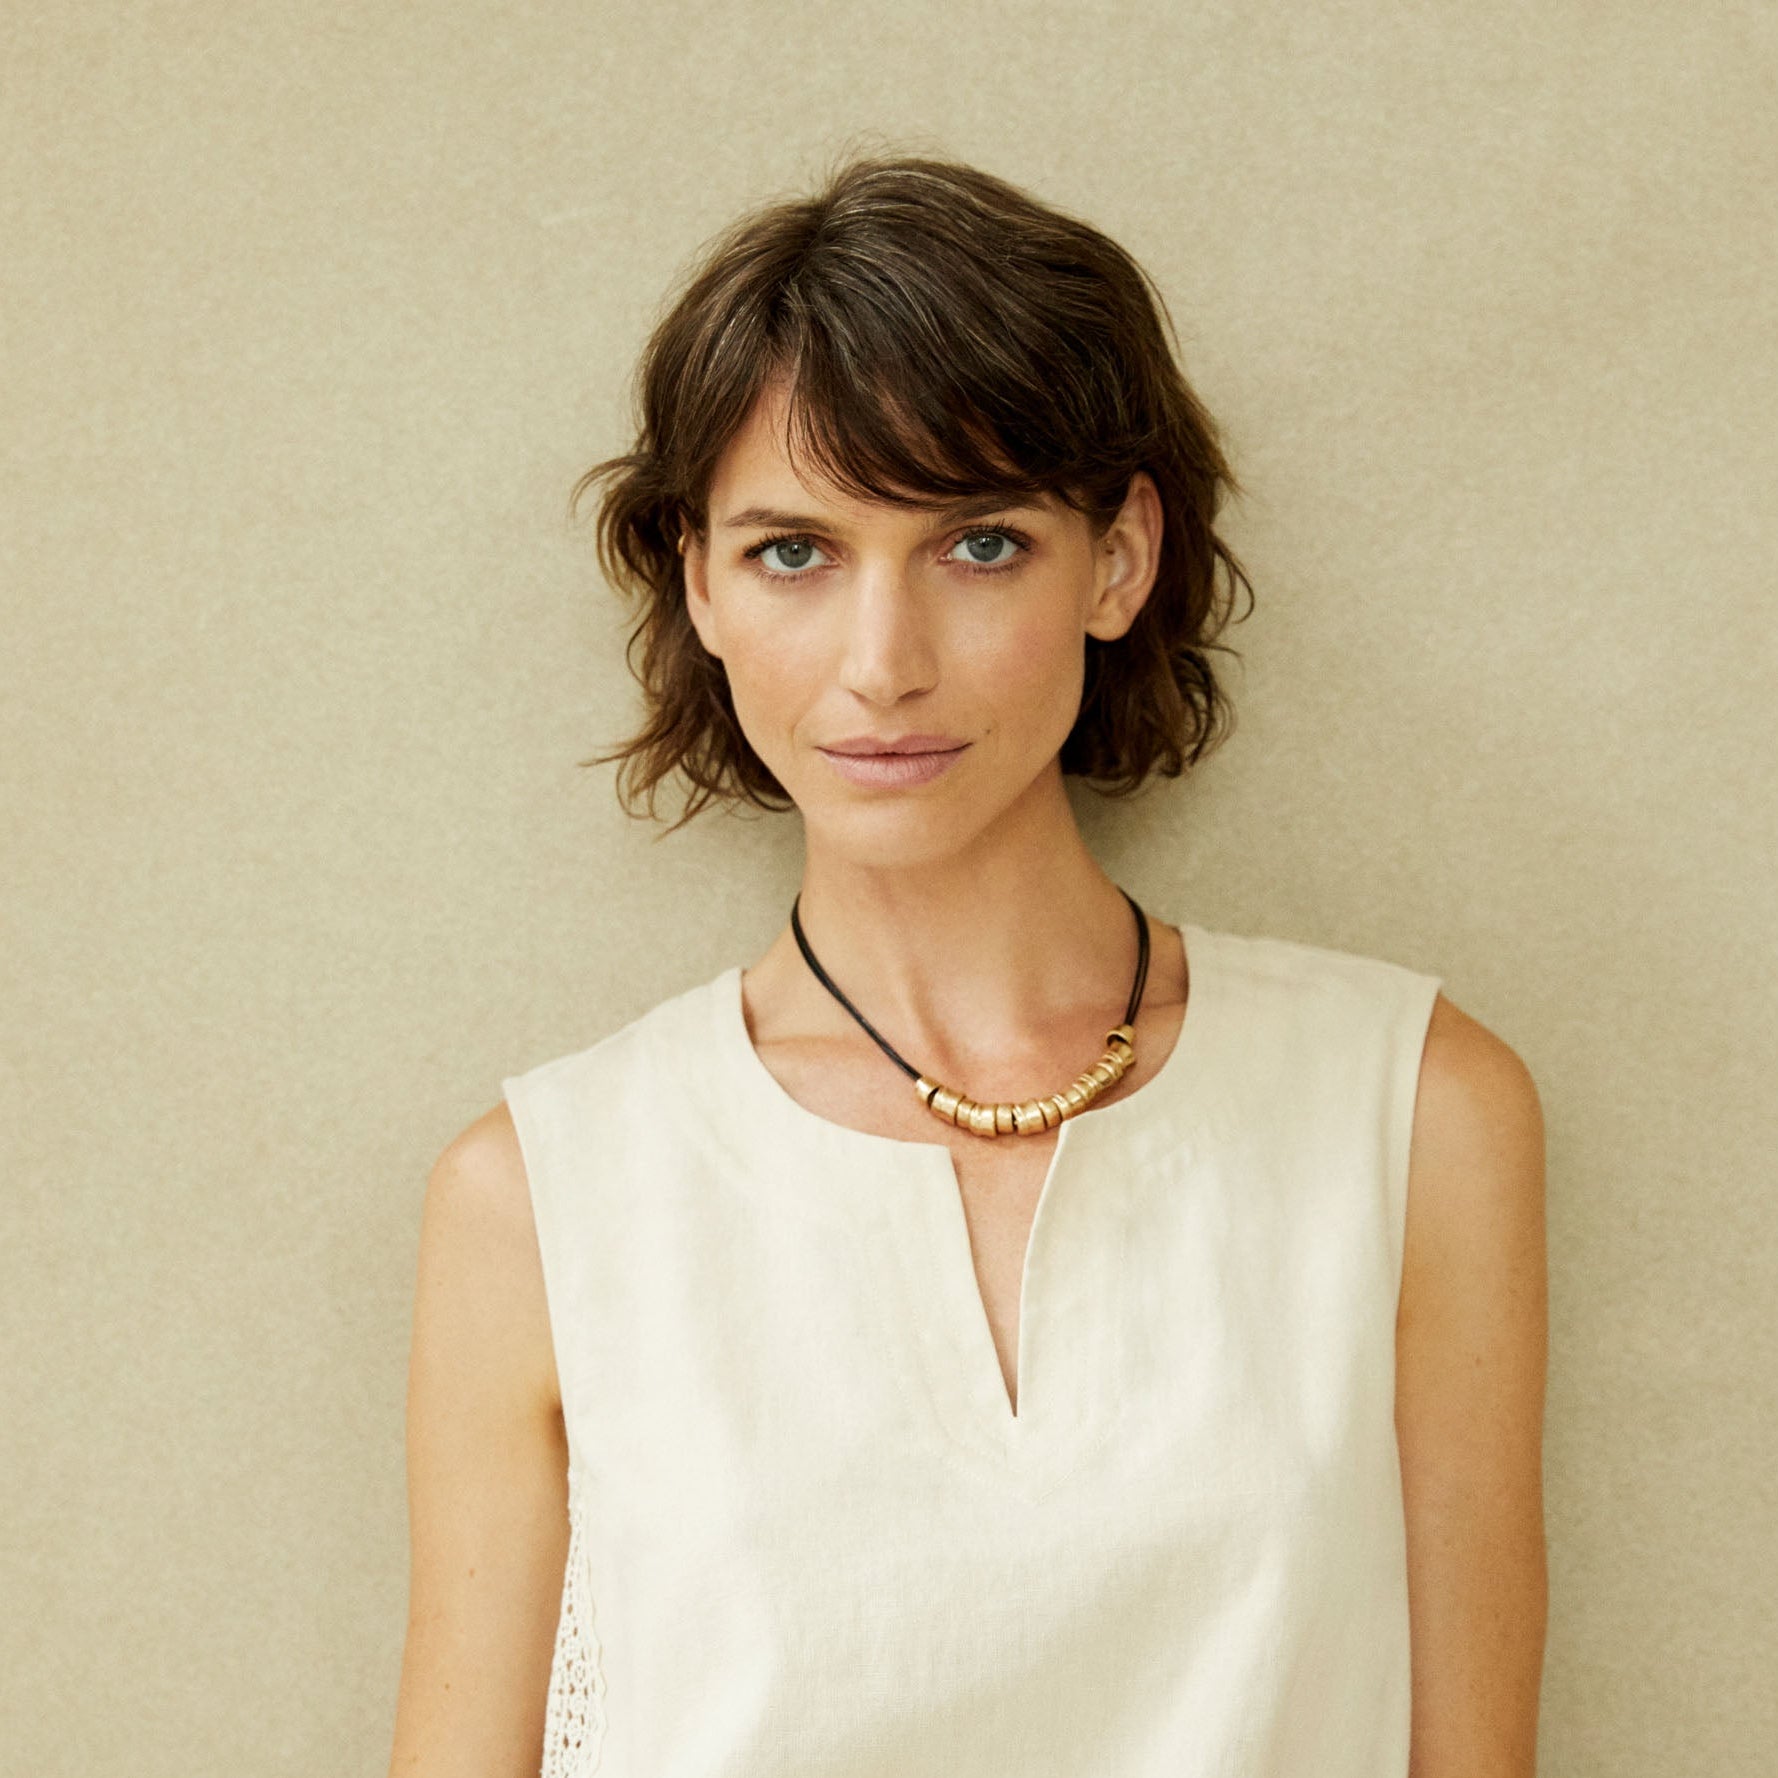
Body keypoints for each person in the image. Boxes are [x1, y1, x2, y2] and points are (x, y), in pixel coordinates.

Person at [385, 152, 1548, 1778]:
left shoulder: (1413, 1110)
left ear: (1119, 558)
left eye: (979, 543)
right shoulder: (544, 1194)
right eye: (794, 550)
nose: (882, 664)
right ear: (697, 582)